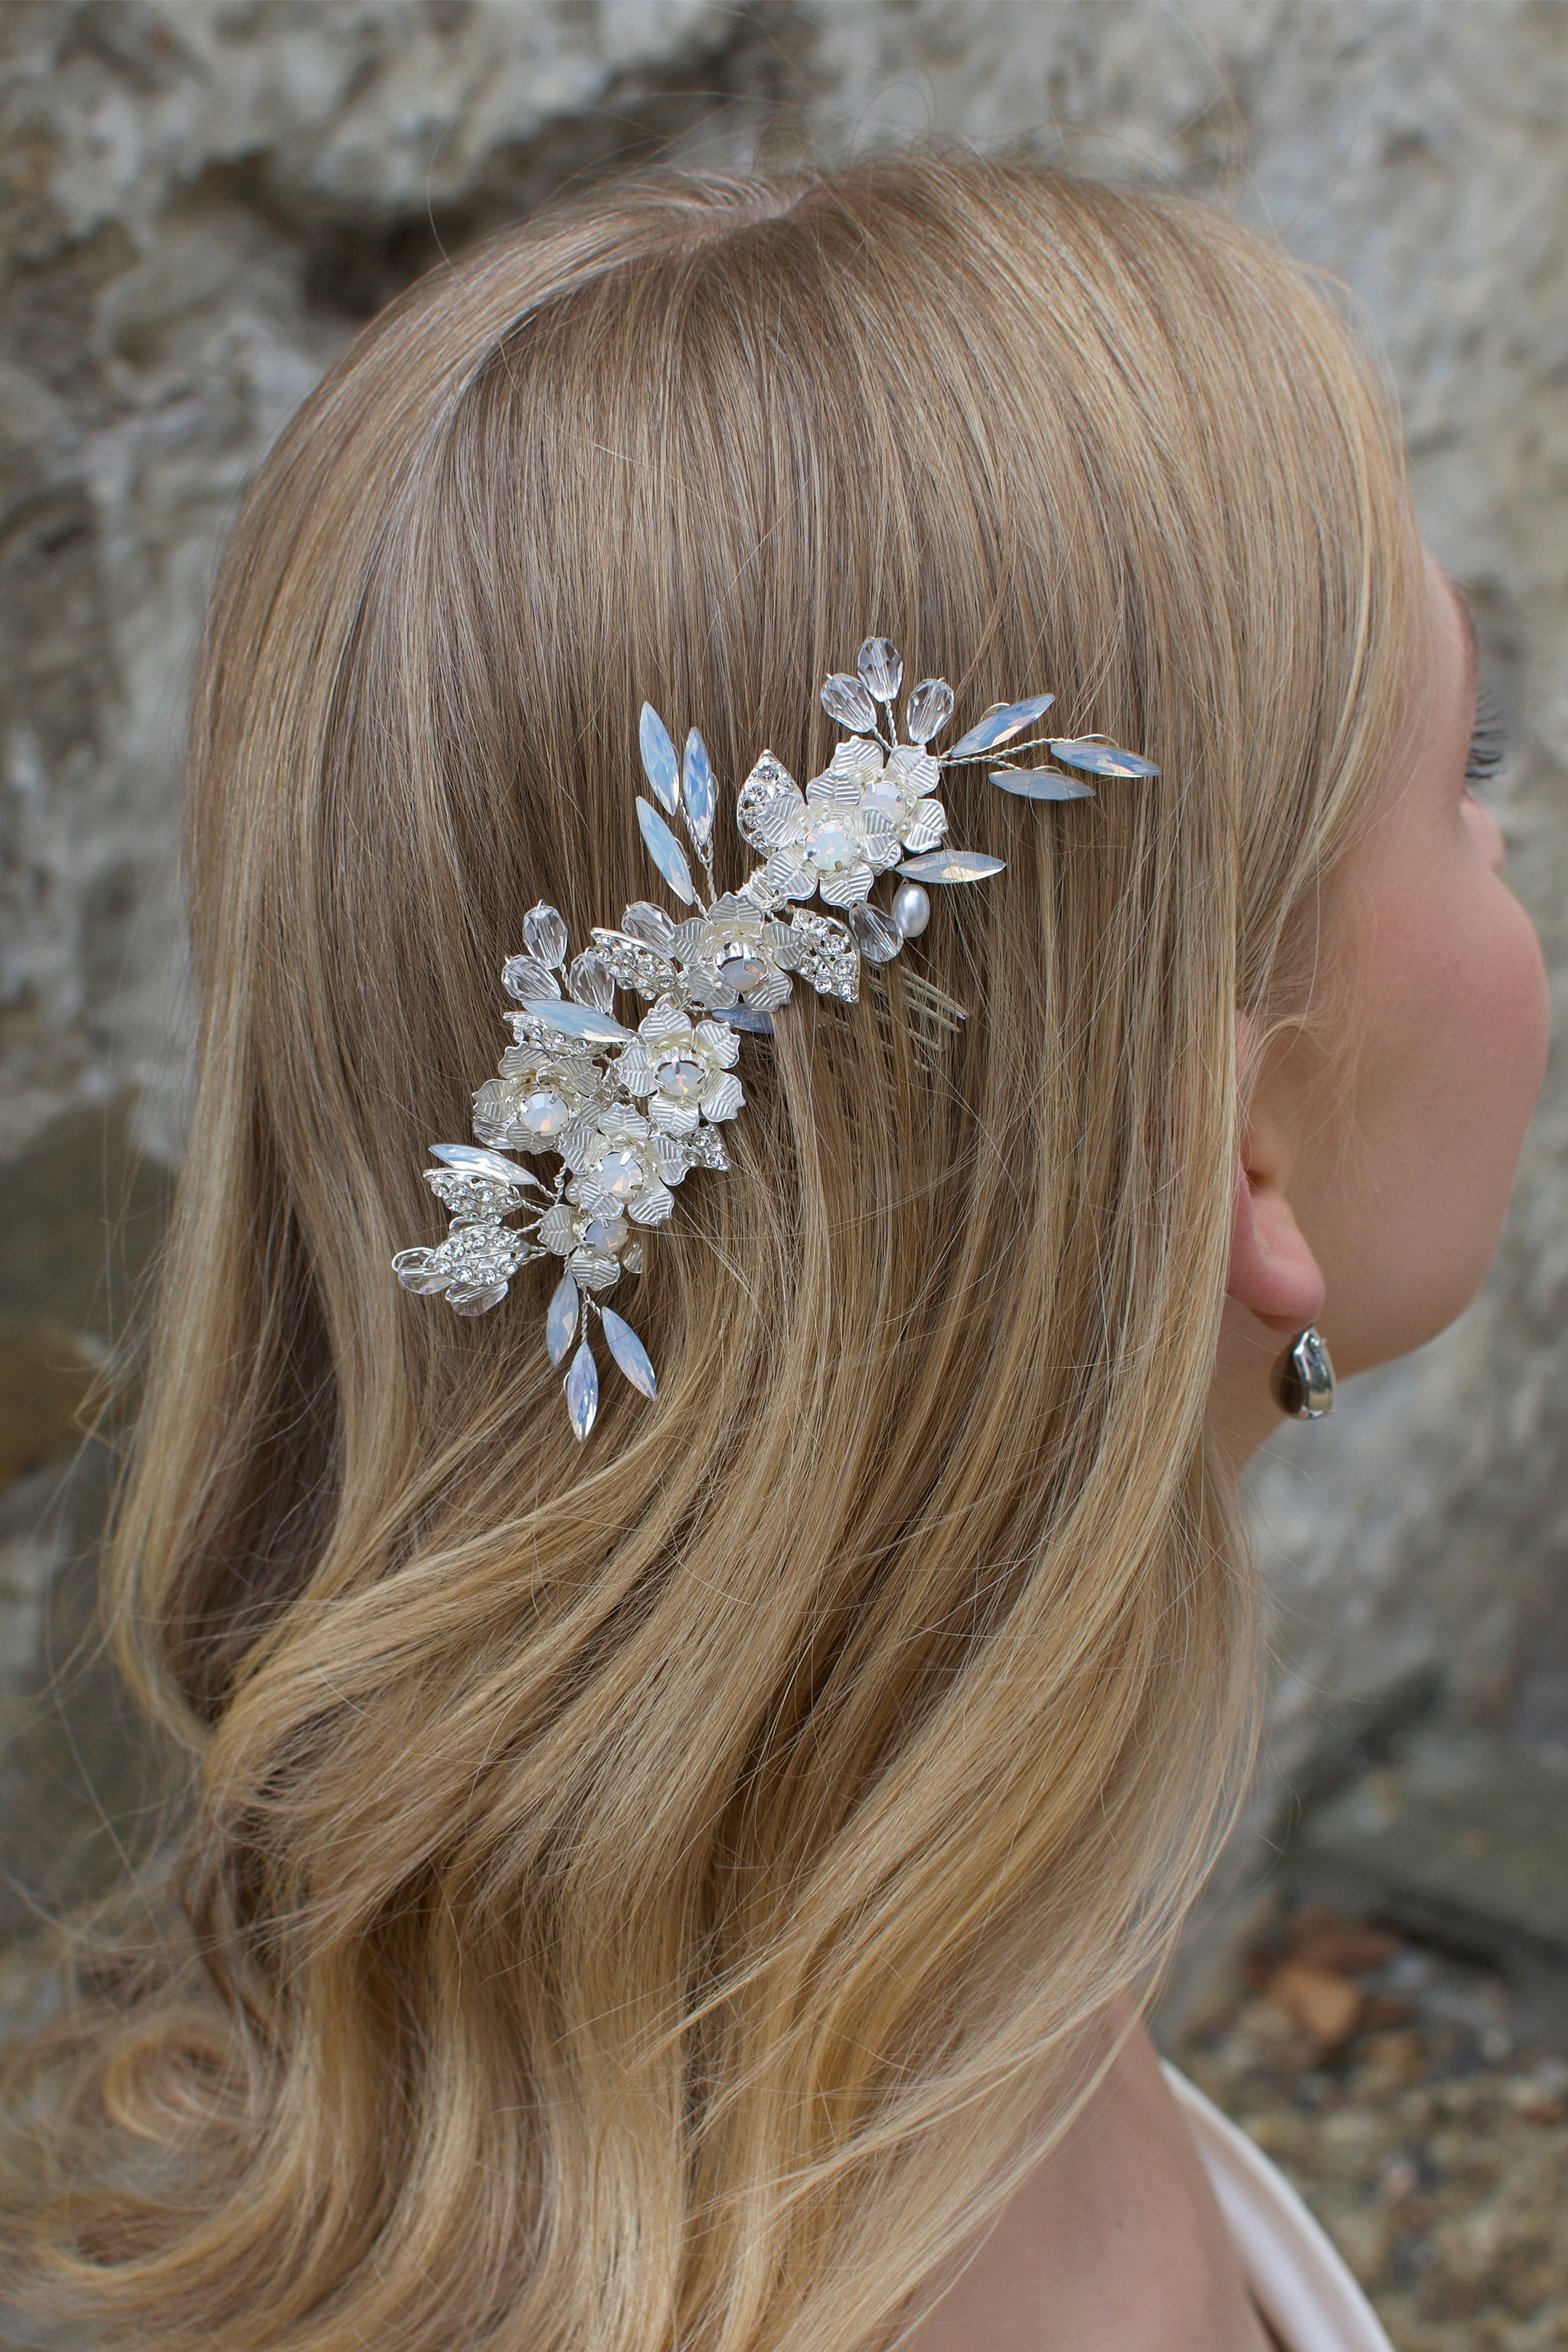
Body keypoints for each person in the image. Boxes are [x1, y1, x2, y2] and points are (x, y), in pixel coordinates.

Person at [0, 152, 1547, 2352]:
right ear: (1245, 1152)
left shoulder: (856, 2032)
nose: (1502, 837)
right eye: (1460, 764)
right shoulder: (982, 2270)